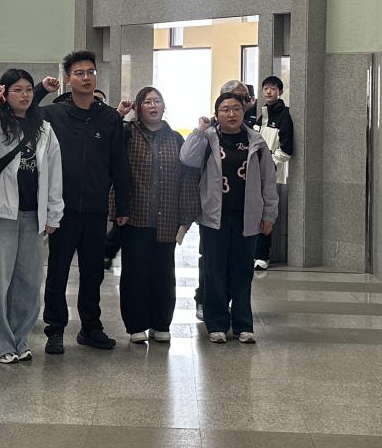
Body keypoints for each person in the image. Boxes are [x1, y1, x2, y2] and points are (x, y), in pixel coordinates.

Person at [37, 50, 130, 354]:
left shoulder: (109, 118)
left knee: (93, 272)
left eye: (91, 72)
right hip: (61, 209)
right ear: (68, 79)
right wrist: (40, 89)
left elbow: (118, 164)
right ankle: (55, 329)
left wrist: (122, 207)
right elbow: (21, 112)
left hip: (95, 208)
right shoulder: (53, 115)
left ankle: (90, 327)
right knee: (58, 271)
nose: (86, 77)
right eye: (79, 73)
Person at [0, 69, 63, 364]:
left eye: (28, 89)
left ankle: (19, 339)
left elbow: (54, 172)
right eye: (17, 90)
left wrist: (53, 212)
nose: (24, 95)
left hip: (32, 214)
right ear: (6, 93)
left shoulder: (44, 128)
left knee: (28, 282)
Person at [181, 91, 277, 344]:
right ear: (216, 114)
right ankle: (217, 324)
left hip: (248, 218)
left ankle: (243, 324)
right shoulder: (208, 138)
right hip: (214, 218)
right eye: (225, 109)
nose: (231, 114)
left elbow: (268, 181)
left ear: (244, 112)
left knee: (242, 272)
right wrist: (199, 130)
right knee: (214, 272)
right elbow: (186, 158)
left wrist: (269, 214)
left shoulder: (256, 142)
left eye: (236, 108)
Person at [116, 87, 199, 343]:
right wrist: (118, 208)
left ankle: (161, 323)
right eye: (147, 102)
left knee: (163, 273)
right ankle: (136, 325)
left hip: (167, 218)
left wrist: (187, 215)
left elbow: (187, 178)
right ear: (138, 108)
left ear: (164, 107)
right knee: (135, 273)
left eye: (157, 101)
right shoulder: (128, 133)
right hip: (135, 216)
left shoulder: (175, 138)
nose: (153, 105)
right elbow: (117, 172)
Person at [194, 79, 253, 321]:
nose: (243, 103)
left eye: (243, 100)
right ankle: (206, 301)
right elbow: (188, 159)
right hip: (214, 212)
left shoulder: (251, 133)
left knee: (238, 265)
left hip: (243, 214)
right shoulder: (211, 132)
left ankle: (234, 310)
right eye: (237, 98)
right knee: (211, 262)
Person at [247, 75, 294, 271]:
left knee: (266, 213)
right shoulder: (261, 114)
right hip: (254, 172)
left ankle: (262, 256)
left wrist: (269, 165)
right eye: (266, 88)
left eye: (273, 88)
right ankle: (253, 254)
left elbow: (287, 149)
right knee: (255, 212)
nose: (268, 91)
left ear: (280, 92)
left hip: (272, 174)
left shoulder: (284, 116)